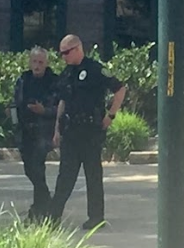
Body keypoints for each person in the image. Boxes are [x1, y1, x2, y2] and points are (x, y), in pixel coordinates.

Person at [46, 34, 126, 230]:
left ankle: (96, 218)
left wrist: (111, 115)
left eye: (66, 52)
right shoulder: (67, 74)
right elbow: (62, 102)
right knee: (65, 176)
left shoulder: (95, 69)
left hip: (90, 131)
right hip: (70, 132)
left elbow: (120, 89)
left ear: (78, 49)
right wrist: (57, 129)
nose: (63, 56)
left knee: (93, 176)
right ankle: (53, 217)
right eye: (61, 53)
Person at [13, 47, 60, 220]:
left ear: (46, 63)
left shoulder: (54, 81)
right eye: (34, 62)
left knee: (37, 167)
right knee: (30, 170)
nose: (37, 65)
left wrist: (44, 110)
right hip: (25, 130)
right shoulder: (23, 80)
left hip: (44, 130)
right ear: (30, 62)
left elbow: (60, 108)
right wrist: (11, 113)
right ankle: (44, 203)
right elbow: (15, 101)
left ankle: (38, 209)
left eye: (41, 62)